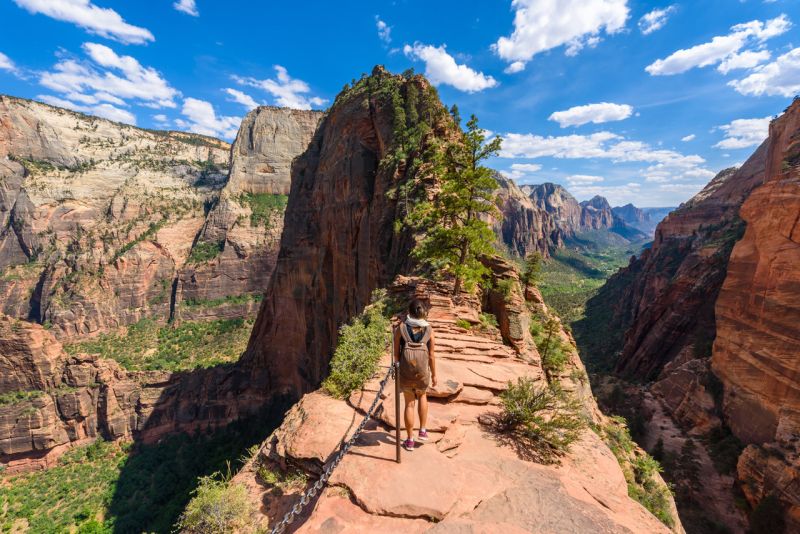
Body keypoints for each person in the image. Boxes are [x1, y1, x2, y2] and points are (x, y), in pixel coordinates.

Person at [393, 298, 436, 451]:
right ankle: (423, 431)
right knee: (423, 396)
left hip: (405, 373)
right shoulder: (429, 330)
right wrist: (435, 375)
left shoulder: (401, 328)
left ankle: (410, 440)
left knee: (409, 403)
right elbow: (431, 355)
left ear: (409, 312)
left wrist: (397, 367)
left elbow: (396, 354)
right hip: (422, 373)